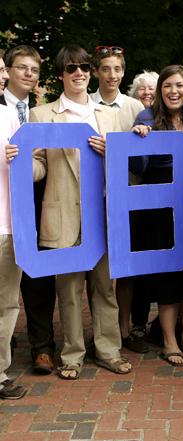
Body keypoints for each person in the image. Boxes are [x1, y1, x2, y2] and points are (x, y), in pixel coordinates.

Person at [8, 44, 132, 380]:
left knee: (105, 288)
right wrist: (17, 163)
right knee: (69, 290)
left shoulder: (110, 114)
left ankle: (109, 350)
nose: (79, 73)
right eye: (71, 68)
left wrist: (114, 153)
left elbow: (130, 164)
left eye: (84, 68)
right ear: (61, 74)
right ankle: (73, 355)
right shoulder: (42, 114)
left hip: (104, 213)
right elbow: (38, 165)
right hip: (63, 213)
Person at [131, 65, 183, 367]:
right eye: (168, 86)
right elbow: (138, 166)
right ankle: (168, 341)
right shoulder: (148, 118)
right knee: (168, 275)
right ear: (160, 90)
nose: (174, 92)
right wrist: (138, 140)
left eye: (180, 86)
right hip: (160, 208)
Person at [1, 45, 57, 375]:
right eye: (22, 68)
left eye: (34, 70)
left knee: (39, 276)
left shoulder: (39, 112)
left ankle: (42, 346)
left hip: (35, 199)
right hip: (3, 203)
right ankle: (4, 344)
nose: (29, 74)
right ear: (7, 70)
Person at [90, 45, 148, 354]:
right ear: (96, 72)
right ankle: (103, 331)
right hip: (93, 195)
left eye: (117, 69)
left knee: (125, 268)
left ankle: (124, 328)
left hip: (127, 196)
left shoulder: (136, 107)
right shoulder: (85, 105)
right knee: (97, 270)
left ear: (123, 72)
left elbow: (141, 155)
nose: (112, 75)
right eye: (106, 69)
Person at [0, 103, 26, 399]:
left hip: (8, 225)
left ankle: (0, 373)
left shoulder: (8, 115)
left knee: (6, 305)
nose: (3, 76)